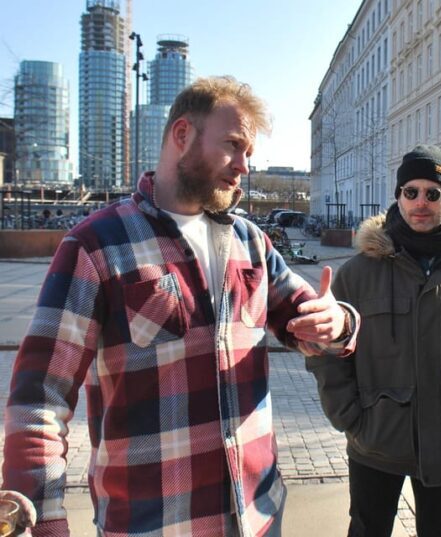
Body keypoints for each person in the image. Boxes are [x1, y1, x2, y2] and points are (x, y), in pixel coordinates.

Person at [2, 76, 358, 536]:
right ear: (183, 134)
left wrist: (339, 322)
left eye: (249, 152)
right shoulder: (95, 246)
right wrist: (42, 520)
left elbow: (307, 316)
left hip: (259, 516)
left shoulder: (250, 241)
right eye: (233, 145)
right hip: (155, 525)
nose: (244, 166)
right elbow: (38, 401)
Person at [306, 144, 441, 537]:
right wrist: (350, 418)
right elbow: (327, 353)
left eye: (433, 193)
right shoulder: (359, 272)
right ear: (397, 197)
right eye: (410, 191)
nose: (421, 202)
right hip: (375, 443)